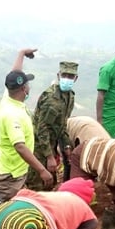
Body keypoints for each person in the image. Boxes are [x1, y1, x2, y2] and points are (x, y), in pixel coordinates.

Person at [0, 48, 53, 201]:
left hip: (14, 169)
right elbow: (19, 146)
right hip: (10, 176)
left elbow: (14, 74)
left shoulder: (9, 98)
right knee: (2, 212)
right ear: (24, 88)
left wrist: (21, 54)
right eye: (28, 83)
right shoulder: (13, 114)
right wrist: (42, 170)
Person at [27, 61, 79, 189]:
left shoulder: (69, 97)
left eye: (70, 76)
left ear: (76, 78)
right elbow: (42, 129)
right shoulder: (51, 99)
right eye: (64, 75)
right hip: (39, 148)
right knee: (37, 186)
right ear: (58, 75)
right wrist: (49, 157)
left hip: (52, 145)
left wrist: (67, 145)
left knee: (50, 184)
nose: (67, 79)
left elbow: (62, 124)